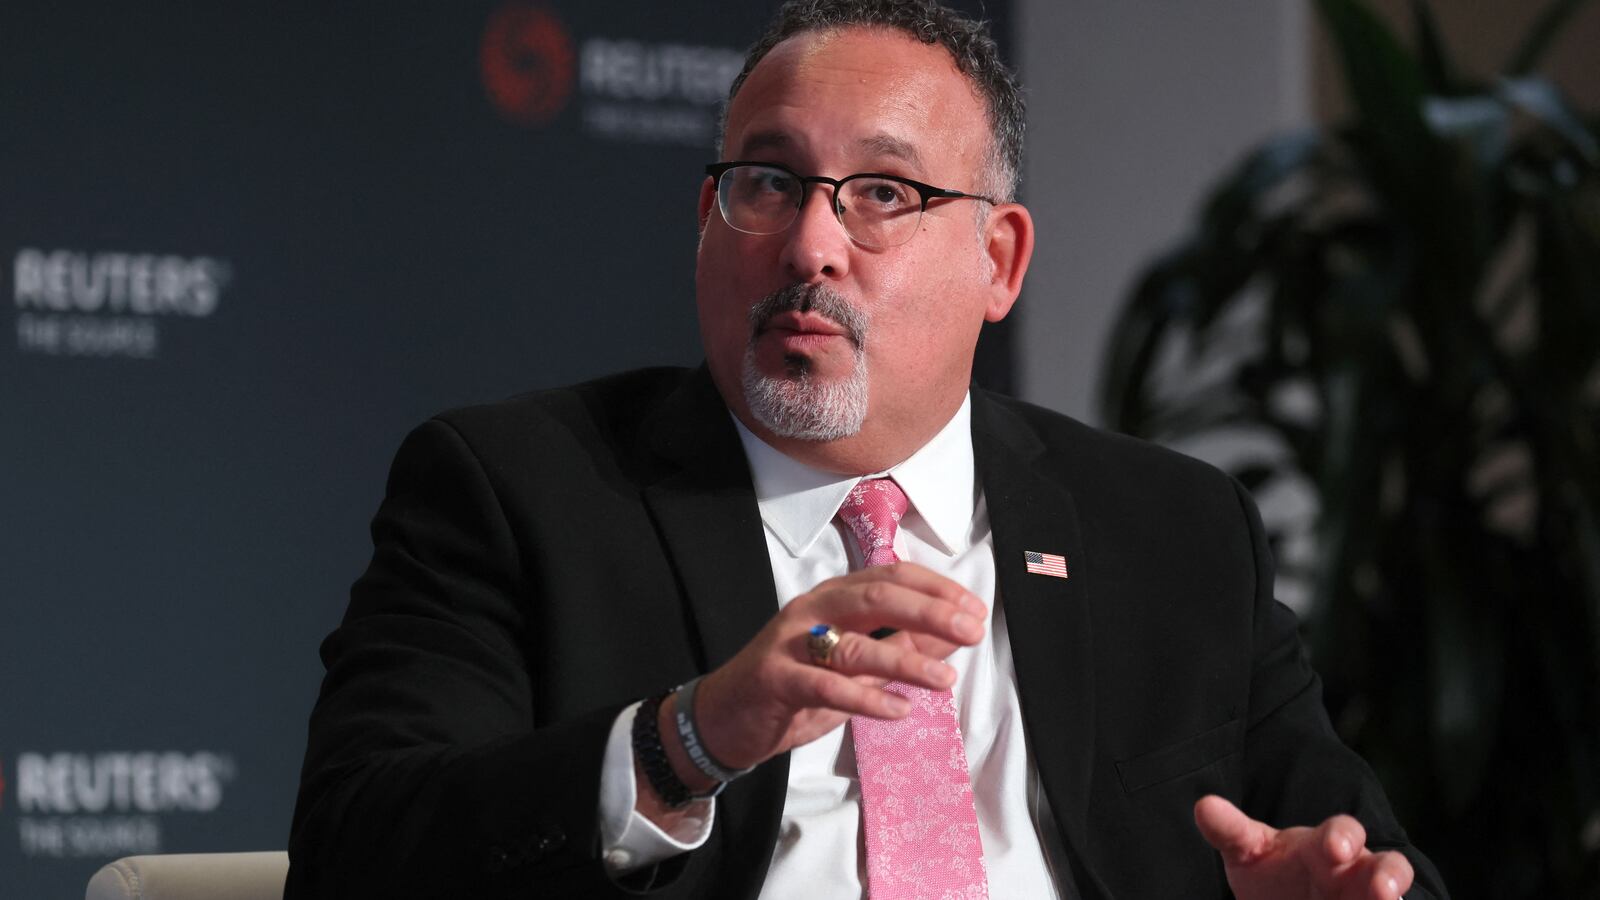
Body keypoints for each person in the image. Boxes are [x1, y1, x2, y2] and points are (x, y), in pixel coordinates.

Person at [286, 1, 1448, 897]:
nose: (810, 244)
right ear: (707, 223)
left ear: (998, 261)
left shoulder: (1172, 531)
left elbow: (1356, 858)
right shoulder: (517, 491)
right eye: (766, 183)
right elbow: (352, 852)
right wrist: (687, 740)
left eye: (882, 192)